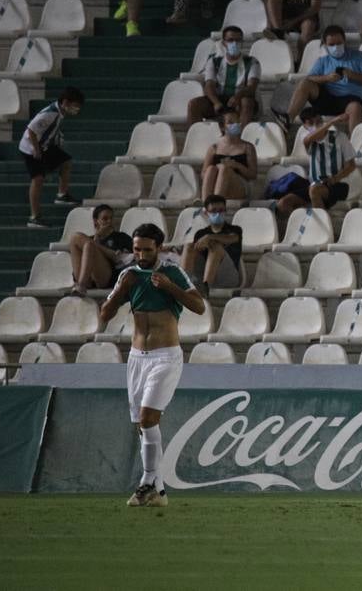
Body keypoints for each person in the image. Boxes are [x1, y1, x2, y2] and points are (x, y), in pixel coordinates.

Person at [99, 223, 206, 508]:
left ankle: (146, 481)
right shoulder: (128, 275)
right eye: (136, 249)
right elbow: (105, 314)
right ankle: (158, 492)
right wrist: (121, 290)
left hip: (165, 356)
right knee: (141, 425)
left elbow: (199, 306)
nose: (141, 254)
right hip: (136, 358)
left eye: (147, 249)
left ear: (159, 248)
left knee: (147, 419)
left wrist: (171, 288)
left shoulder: (172, 272)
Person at [284, 26, 362, 133]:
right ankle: (287, 119)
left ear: (344, 41)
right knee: (304, 83)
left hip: (352, 100)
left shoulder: (358, 56)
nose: (336, 47)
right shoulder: (323, 61)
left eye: (339, 43)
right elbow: (310, 78)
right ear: (325, 45)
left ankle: (355, 145)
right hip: (328, 100)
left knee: (355, 108)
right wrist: (326, 78)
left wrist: (352, 75)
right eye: (331, 44)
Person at [274, 108, 357, 219]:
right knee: (283, 203)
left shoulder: (340, 137)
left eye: (318, 122)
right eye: (311, 123)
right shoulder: (307, 139)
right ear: (304, 126)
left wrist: (335, 179)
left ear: (322, 120)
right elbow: (312, 137)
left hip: (337, 185)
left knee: (314, 191)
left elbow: (351, 166)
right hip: (313, 184)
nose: (315, 125)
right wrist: (333, 121)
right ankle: (302, 227)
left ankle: (323, 230)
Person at [20, 86, 83, 228]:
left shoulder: (59, 113)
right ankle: (34, 217)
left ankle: (62, 195)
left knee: (66, 162)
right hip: (31, 149)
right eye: (75, 106)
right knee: (38, 179)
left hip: (46, 146)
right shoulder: (50, 113)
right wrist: (36, 150)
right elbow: (31, 130)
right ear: (66, 102)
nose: (76, 109)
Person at [189, 25, 260, 127]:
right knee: (194, 104)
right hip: (219, 99)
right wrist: (216, 102)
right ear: (223, 43)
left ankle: (242, 137)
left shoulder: (252, 62)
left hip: (240, 100)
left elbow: (251, 87)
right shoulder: (214, 61)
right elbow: (209, 85)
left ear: (242, 43)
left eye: (238, 40)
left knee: (247, 101)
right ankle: (195, 137)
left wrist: (237, 96)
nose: (234, 43)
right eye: (230, 40)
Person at [181, 194, 243, 294]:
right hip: (203, 273)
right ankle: (184, 287)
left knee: (215, 246)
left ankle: (205, 290)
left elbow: (233, 238)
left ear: (225, 211)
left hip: (228, 276)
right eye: (214, 211)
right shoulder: (201, 233)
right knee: (189, 246)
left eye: (221, 210)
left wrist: (210, 237)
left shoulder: (235, 230)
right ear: (206, 213)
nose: (218, 214)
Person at [68, 204, 132, 296]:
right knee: (75, 238)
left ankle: (81, 286)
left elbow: (137, 250)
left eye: (111, 218)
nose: (109, 222)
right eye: (105, 219)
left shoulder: (121, 237)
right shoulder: (89, 240)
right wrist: (97, 238)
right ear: (96, 221)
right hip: (89, 278)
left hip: (106, 277)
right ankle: (82, 283)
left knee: (90, 245)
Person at [199, 107, 258, 201]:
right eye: (231, 122)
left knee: (224, 169)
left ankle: (216, 204)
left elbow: (253, 175)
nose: (235, 124)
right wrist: (217, 167)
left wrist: (236, 165)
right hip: (217, 183)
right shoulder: (214, 148)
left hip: (240, 185)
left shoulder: (248, 147)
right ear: (222, 127)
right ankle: (206, 203)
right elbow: (203, 174)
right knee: (211, 169)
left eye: (237, 121)